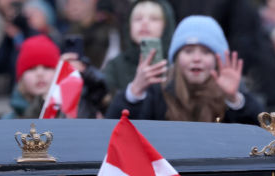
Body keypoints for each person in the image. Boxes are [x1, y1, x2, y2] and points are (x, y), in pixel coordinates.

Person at [106, 14, 262, 124]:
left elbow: (262, 137)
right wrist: (134, 93)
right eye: (188, 51)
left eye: (206, 52)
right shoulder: (159, 91)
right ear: (177, 58)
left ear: (217, 60)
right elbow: (115, 133)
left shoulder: (232, 93)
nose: (196, 58)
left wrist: (235, 100)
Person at [102, 0, 176, 97]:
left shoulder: (177, 64)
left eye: (154, 19)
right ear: (129, 26)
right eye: (138, 19)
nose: (144, 23)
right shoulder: (115, 66)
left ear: (166, 26)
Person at [2, 33, 59, 119]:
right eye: (32, 69)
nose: (40, 73)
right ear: (22, 78)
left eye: (47, 67)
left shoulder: (72, 116)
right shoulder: (7, 122)